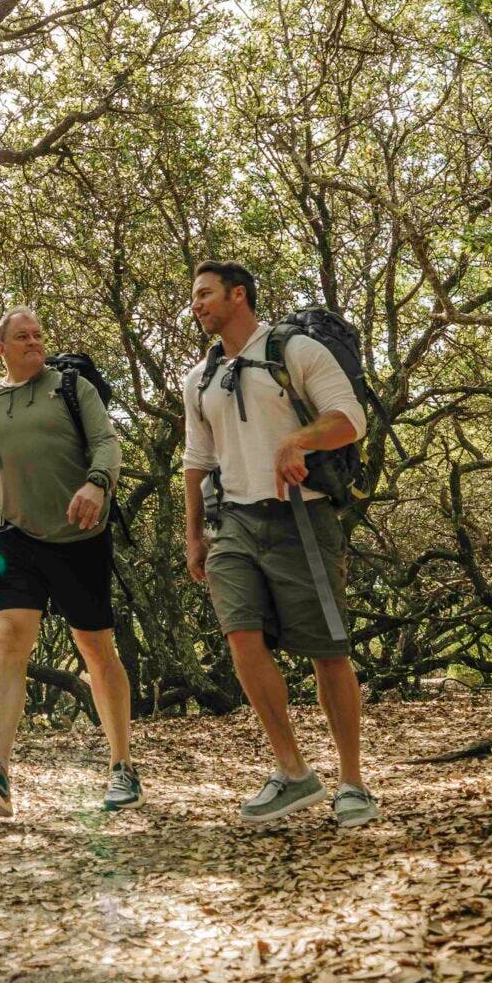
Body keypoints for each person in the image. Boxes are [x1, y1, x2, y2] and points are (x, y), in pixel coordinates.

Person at [182, 262, 380, 829]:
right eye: (194, 297)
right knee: (240, 635)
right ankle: (293, 772)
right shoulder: (200, 378)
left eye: (205, 294)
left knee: (328, 651)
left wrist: (298, 438)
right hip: (234, 524)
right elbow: (197, 462)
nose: (196, 305)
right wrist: (193, 534)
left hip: (303, 517)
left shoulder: (294, 352)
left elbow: (350, 421)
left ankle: (352, 782)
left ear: (237, 295)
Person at [0, 306, 137, 817]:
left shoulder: (72, 387)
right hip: (10, 541)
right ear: (1, 348)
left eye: (39, 333)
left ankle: (122, 766)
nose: (34, 341)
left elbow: (106, 441)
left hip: (81, 536)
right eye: (22, 336)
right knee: (9, 637)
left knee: (96, 647)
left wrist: (98, 483)